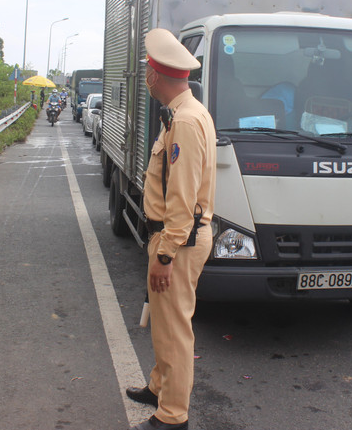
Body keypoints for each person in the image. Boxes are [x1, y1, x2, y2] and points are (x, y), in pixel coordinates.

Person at [125, 28, 216, 430]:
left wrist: (165, 254)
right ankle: (159, 385)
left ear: (155, 75)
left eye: (147, 69)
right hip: (171, 236)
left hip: (177, 240)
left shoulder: (185, 121)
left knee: (175, 328)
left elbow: (182, 198)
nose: (146, 76)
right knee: (163, 322)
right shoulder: (181, 115)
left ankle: (172, 414)